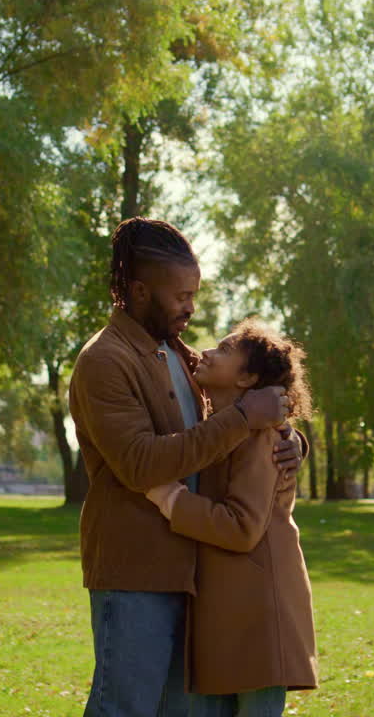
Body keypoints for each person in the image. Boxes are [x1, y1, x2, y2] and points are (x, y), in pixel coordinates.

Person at [69, 218, 306, 716]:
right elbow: (140, 463)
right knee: (124, 709)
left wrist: (289, 440)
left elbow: (236, 406)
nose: (190, 308)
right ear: (140, 291)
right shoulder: (104, 361)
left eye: (193, 294)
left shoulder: (177, 354)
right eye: (180, 296)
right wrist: (246, 418)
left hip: (195, 573)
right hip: (135, 572)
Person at [146, 319, 318, 717]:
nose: (206, 352)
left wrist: (170, 498)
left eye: (223, 350)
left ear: (248, 378)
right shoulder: (223, 427)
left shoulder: (260, 436)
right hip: (233, 613)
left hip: (260, 615)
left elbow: (242, 527)